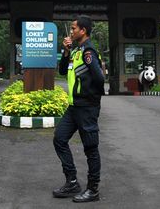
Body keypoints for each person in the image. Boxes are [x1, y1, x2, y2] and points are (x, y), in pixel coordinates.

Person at [52, 15, 105, 203]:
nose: (71, 31)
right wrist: (65, 52)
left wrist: (91, 98)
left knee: (90, 148)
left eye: (74, 28)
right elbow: (62, 71)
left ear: (83, 31)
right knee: (59, 139)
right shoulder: (76, 51)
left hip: (86, 108)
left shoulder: (88, 51)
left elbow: (99, 79)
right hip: (73, 108)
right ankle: (72, 181)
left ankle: (93, 190)